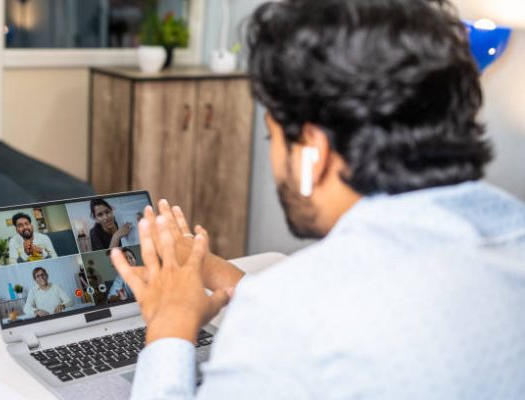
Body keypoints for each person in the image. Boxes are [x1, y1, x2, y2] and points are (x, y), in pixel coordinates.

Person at [110, 0, 525, 398]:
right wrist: (220, 274)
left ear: (313, 149)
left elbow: (309, 321)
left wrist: (169, 325)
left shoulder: (289, 318)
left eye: (272, 136)